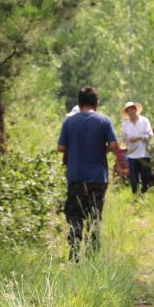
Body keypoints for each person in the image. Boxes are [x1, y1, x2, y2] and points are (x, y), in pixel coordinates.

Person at [57, 86, 117, 261]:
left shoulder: (69, 122)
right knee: (94, 215)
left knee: (74, 213)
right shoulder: (104, 121)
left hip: (76, 176)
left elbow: (61, 147)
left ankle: (74, 251)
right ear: (96, 103)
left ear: (79, 102)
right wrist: (102, 147)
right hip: (98, 177)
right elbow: (114, 147)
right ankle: (92, 255)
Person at [120, 101, 154, 194]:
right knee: (133, 177)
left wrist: (139, 137)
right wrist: (128, 140)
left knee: (146, 175)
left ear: (136, 110)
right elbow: (123, 138)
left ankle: (144, 192)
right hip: (132, 154)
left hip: (144, 153)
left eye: (132, 109)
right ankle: (135, 195)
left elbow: (151, 135)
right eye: (129, 111)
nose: (131, 112)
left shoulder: (144, 121)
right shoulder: (125, 124)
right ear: (127, 113)